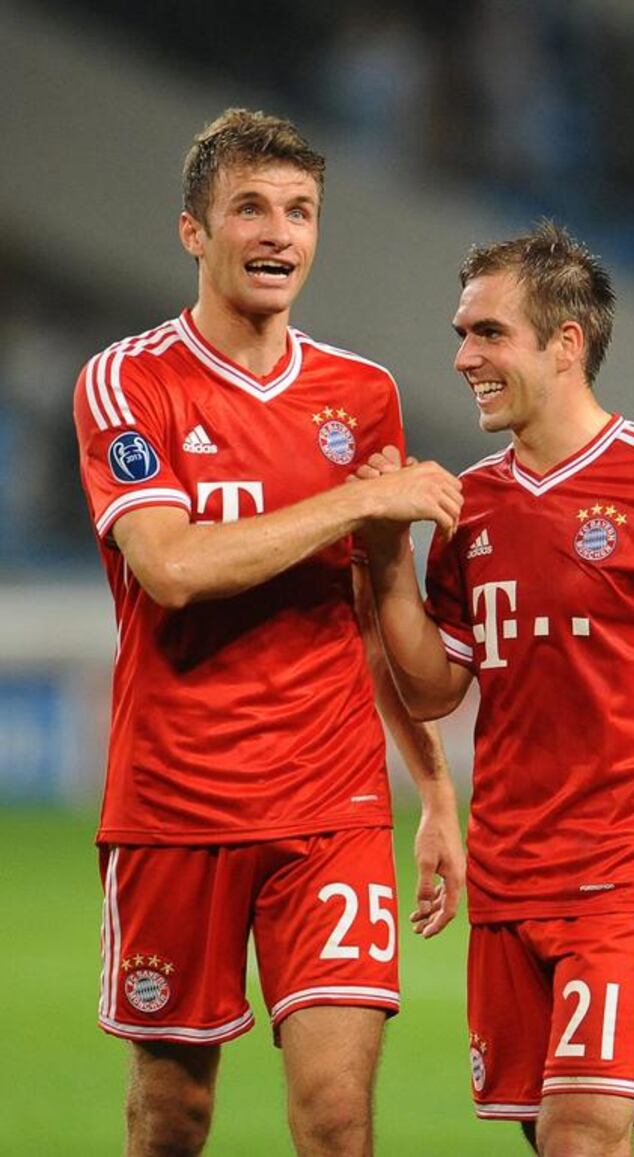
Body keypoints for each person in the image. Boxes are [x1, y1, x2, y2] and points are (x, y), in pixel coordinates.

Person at [358, 220, 634, 1157]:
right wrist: (388, 554)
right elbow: (436, 686)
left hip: (625, 865)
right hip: (510, 873)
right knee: (550, 1134)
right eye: (460, 334)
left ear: (566, 344)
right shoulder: (468, 507)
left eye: (487, 333)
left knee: (579, 1136)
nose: (464, 356)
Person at [72, 108, 465, 1157]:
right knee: (173, 1116)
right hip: (175, 802)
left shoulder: (361, 393)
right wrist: (346, 504)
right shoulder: (128, 382)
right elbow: (173, 566)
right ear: (194, 230)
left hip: (325, 803)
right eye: (250, 206)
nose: (278, 232)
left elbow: (373, 618)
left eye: (300, 211)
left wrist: (430, 789)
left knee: (335, 1116)